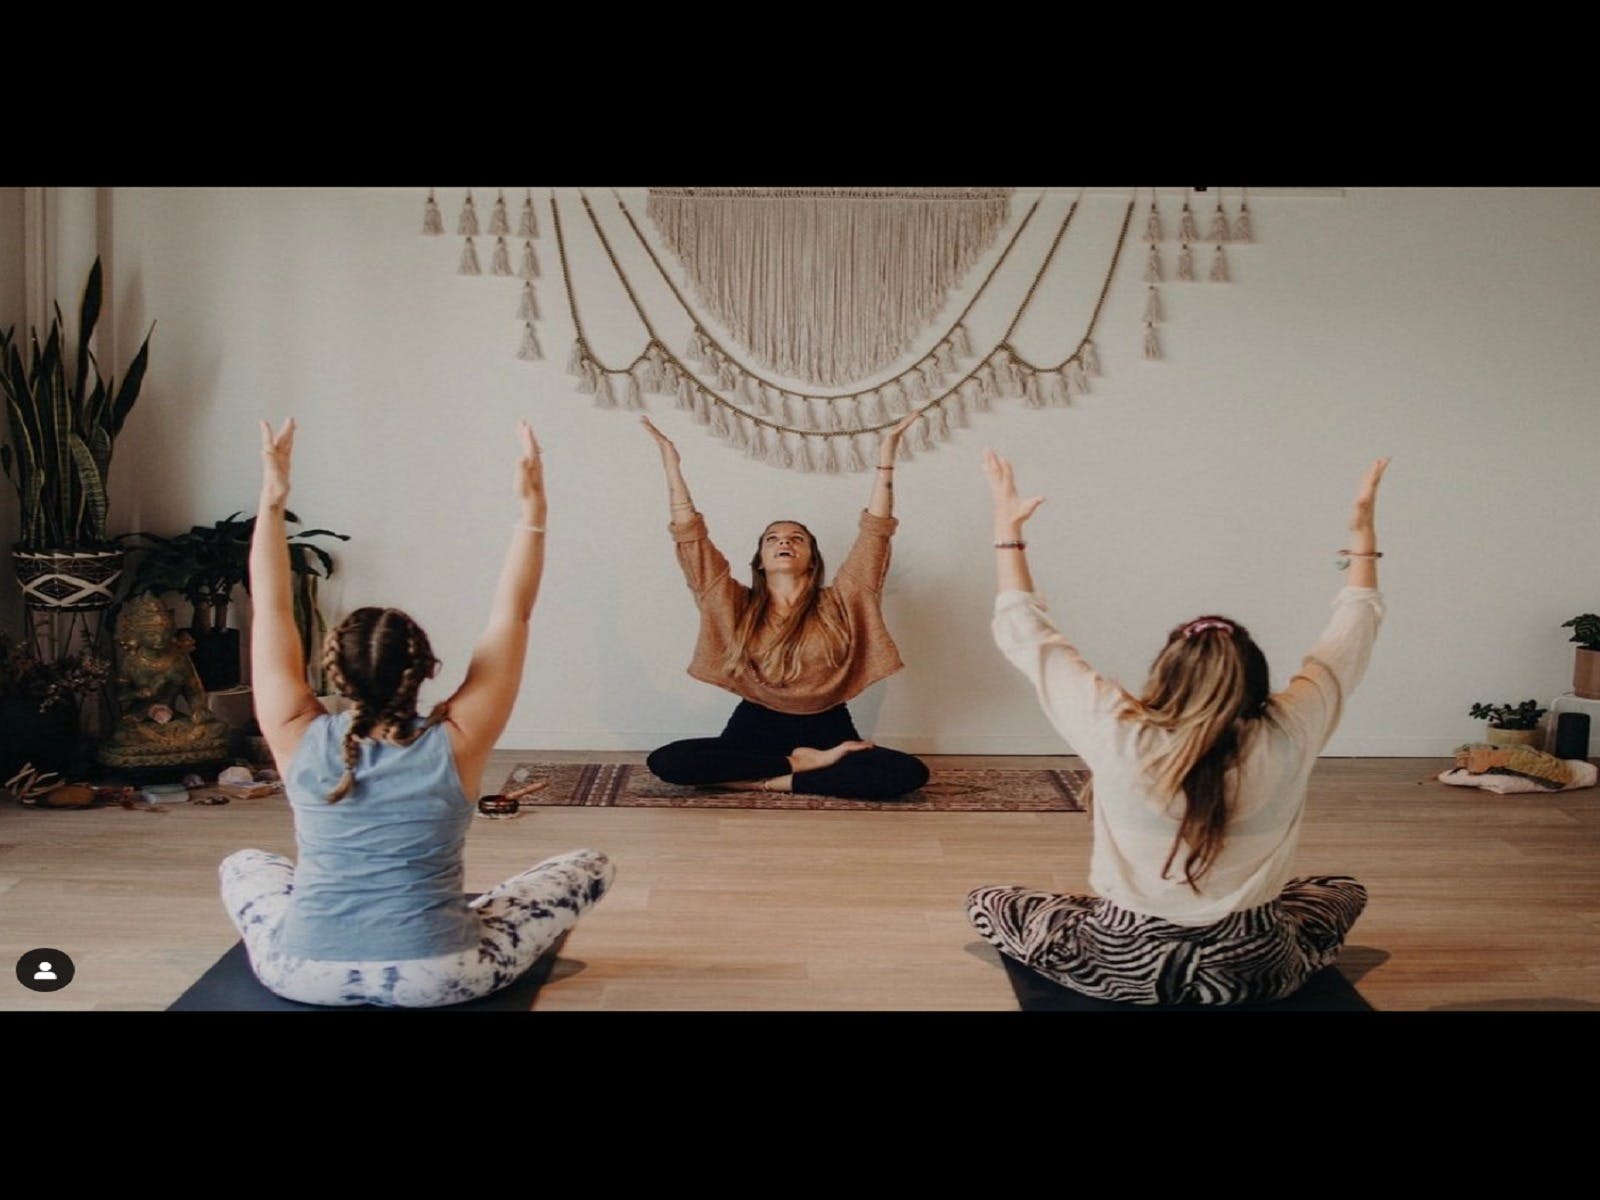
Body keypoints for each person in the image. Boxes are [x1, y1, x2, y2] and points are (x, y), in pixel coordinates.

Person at [968, 450, 1390, 1005]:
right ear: (1257, 682)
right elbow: (1354, 629)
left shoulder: (1117, 729)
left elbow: (1023, 630)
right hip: (1252, 965)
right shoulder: (1292, 729)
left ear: (1164, 672)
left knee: (988, 899)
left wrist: (1008, 533)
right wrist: (1362, 540)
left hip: (1124, 958)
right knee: (1342, 890)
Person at [218, 418, 612, 1008]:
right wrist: (533, 510)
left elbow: (272, 607)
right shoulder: (457, 738)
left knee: (244, 864)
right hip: (441, 974)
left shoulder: (296, 733)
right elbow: (514, 614)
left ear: (333, 672)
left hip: (303, 971)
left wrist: (272, 503)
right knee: (589, 865)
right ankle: (451, 915)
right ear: (427, 667)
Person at [640, 413, 931, 800]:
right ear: (760, 559)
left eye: (797, 538)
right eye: (773, 538)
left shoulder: (842, 599)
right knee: (669, 761)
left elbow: (875, 533)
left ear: (811, 558)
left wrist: (886, 459)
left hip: (827, 727)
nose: (785, 542)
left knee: (907, 774)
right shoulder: (734, 603)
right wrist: (671, 467)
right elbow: (692, 541)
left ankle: (775, 778)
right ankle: (801, 767)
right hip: (755, 725)